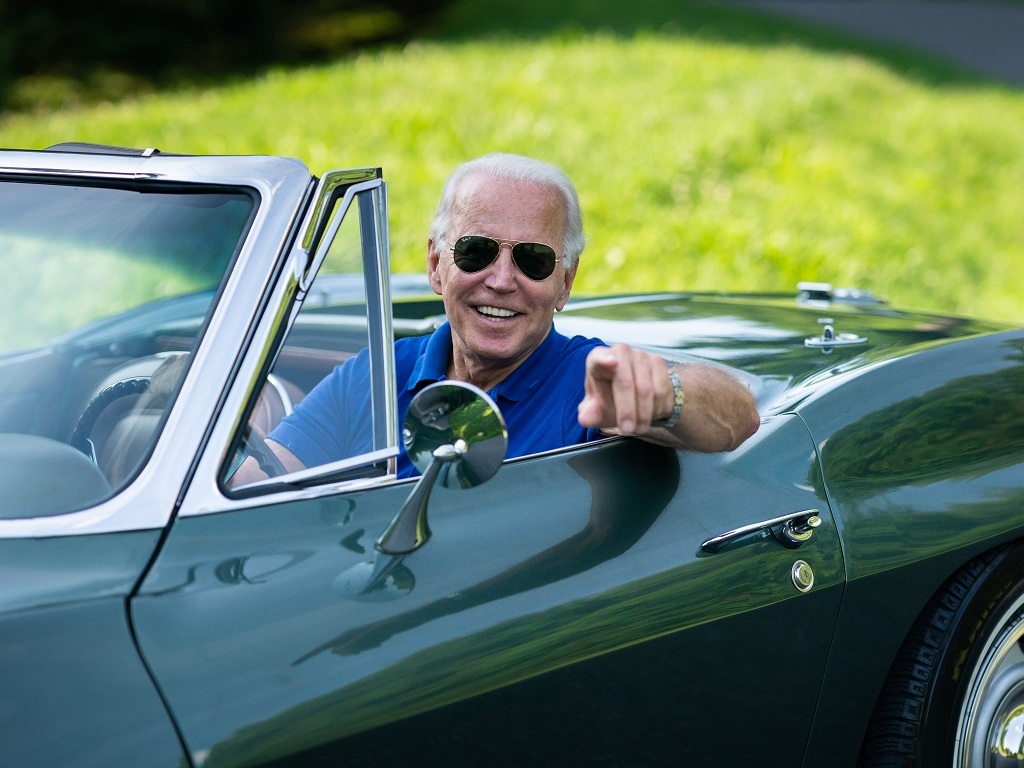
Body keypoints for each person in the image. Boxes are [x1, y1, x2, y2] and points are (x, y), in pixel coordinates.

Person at [234, 153, 759, 484]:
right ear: (437, 265)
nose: (502, 280)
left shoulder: (591, 382)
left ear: (565, 283)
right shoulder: (376, 376)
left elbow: (738, 416)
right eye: (476, 251)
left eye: (532, 259)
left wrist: (665, 397)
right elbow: (265, 480)